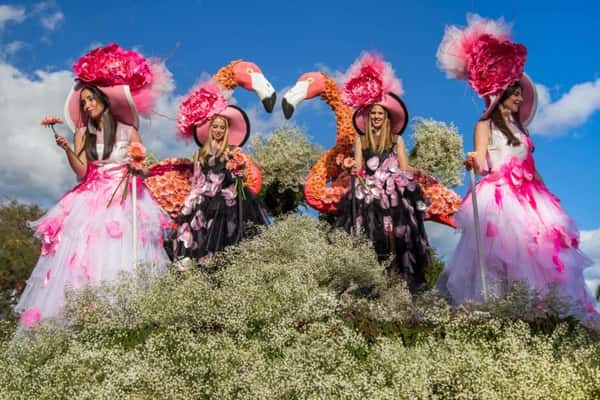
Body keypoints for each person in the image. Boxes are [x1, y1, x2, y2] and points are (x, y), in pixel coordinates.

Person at [436, 15, 596, 316]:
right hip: (500, 195)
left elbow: (531, 166)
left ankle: (541, 310)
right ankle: (498, 310)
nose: (520, 96)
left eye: (520, 91)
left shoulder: (523, 131)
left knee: (542, 250)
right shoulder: (485, 125)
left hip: (530, 195)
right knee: (503, 252)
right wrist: (472, 159)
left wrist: (547, 193)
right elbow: (482, 159)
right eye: (515, 91)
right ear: (503, 96)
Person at [16, 44, 171, 327]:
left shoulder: (128, 130)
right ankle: (86, 320)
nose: (87, 105)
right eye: (83, 102)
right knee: (85, 255)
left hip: (126, 199)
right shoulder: (82, 134)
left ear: (104, 100)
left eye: (90, 100)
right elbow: (82, 172)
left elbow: (142, 165)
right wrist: (67, 150)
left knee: (123, 253)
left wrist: (138, 168)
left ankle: (128, 319)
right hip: (92, 198)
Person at [334, 53, 431, 291]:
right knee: (369, 231)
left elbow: (405, 167)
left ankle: (400, 279)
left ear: (386, 118)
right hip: (369, 190)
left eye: (380, 114)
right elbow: (358, 166)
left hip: (393, 191)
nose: (377, 117)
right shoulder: (361, 140)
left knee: (400, 233)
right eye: (373, 114)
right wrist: (349, 166)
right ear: (369, 118)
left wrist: (419, 170)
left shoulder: (396, 140)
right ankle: (370, 278)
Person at [174, 81, 268, 266]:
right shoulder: (200, 154)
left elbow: (239, 181)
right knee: (193, 230)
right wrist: (191, 200)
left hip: (225, 201)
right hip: (204, 198)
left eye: (222, 127)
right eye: (215, 126)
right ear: (210, 129)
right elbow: (198, 180)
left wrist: (239, 174)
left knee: (224, 237)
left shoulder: (232, 152)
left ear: (226, 131)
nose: (218, 130)